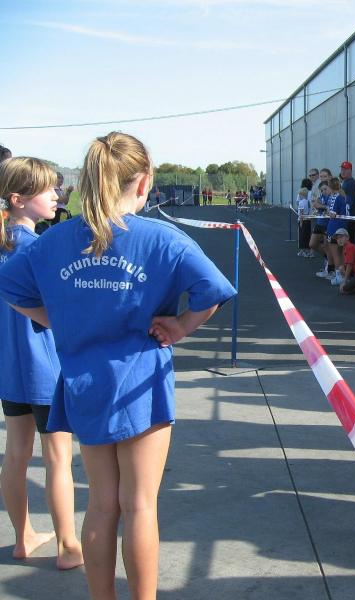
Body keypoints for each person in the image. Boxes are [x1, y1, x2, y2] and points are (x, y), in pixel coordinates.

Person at [0, 132, 236, 598]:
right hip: (140, 383)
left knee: (102, 505)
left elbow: (10, 286)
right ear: (144, 182)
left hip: (83, 383)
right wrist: (181, 326)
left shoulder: (53, 241)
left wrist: (59, 319)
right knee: (140, 505)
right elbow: (213, 290)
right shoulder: (162, 239)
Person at [0, 157, 83, 570]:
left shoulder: (5, 246)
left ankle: (23, 537)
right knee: (58, 458)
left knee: (15, 454)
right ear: (18, 199)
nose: (57, 195)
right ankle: (68, 547)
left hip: (10, 370)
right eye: (48, 189)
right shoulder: (40, 250)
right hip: (46, 370)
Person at [323, 177, 348, 286]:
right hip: (340, 227)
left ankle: (339, 276)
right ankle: (341, 275)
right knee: (340, 254)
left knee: (336, 254)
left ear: (331, 187)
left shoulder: (336, 197)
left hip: (334, 228)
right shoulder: (340, 196)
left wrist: (328, 212)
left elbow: (333, 213)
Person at [339, 161, 355, 237]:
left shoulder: (351, 183)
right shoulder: (345, 182)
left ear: (350, 171)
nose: (343, 171)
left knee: (348, 240)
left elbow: (349, 202)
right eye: (342, 169)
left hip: (349, 217)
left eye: (345, 169)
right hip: (346, 217)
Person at [296, 177, 313, 257]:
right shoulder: (308, 200)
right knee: (307, 235)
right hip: (308, 219)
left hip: (302, 219)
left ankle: (303, 251)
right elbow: (309, 208)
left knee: (302, 236)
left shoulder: (301, 202)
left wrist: (301, 221)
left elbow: (301, 212)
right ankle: (308, 251)